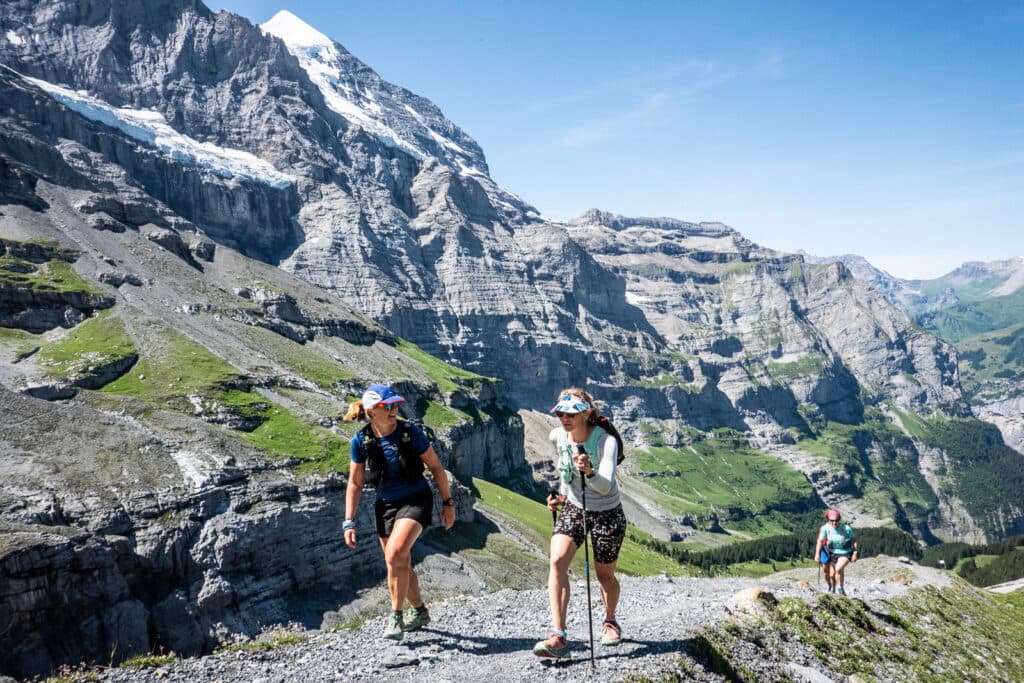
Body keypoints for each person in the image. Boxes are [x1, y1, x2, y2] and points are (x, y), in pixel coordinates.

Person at [342, 383, 456, 640]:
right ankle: (420, 610)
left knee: (394, 554)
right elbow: (355, 483)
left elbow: (437, 469)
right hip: (385, 506)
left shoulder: (410, 432)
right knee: (399, 562)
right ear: (372, 411)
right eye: (388, 406)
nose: (394, 409)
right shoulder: (361, 441)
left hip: (417, 499)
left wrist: (448, 503)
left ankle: (396, 617)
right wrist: (348, 521)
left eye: (395, 405)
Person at [533, 388, 626, 660]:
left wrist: (590, 471)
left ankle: (610, 620)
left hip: (607, 511)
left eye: (571, 413)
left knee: (604, 576)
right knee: (557, 561)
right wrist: (561, 494)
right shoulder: (557, 436)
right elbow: (564, 465)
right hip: (575, 506)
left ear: (586, 413)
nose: (564, 418)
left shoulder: (605, 442)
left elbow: (605, 485)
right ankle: (558, 635)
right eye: (560, 413)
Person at [814, 508, 859, 595]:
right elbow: (820, 541)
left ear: (839, 519)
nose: (834, 522)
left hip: (845, 553)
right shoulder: (825, 528)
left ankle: (840, 589)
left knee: (838, 569)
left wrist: (854, 553)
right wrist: (817, 554)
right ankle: (832, 588)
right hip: (832, 553)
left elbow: (854, 540)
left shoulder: (846, 528)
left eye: (836, 520)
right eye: (832, 521)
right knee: (831, 575)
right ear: (828, 519)